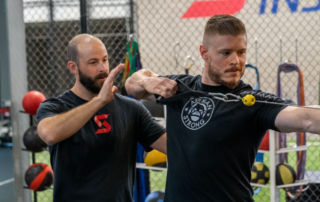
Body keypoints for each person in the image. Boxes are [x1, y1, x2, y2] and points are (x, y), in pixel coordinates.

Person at [125, 15, 320, 202]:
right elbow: (132, 84)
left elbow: (305, 118)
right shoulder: (179, 89)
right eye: (226, 53)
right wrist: (149, 81)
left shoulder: (253, 102)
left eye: (241, 52)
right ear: (204, 53)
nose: (236, 61)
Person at [36, 34, 167, 202]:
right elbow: (48, 133)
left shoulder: (131, 108)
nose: (102, 68)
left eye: (104, 60)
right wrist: (98, 102)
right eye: (93, 62)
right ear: (73, 67)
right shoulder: (55, 107)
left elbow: (172, 145)